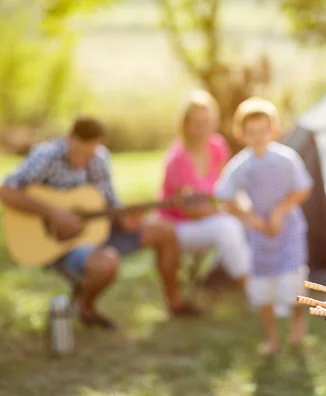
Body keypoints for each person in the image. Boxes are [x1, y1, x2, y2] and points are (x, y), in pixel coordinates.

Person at [0, 117, 199, 330]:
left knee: (165, 231)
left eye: (89, 154)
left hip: (99, 231)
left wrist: (127, 220)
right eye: (79, 153)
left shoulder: (100, 159)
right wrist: (53, 213)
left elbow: (111, 207)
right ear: (68, 138)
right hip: (59, 243)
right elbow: (6, 191)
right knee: (107, 263)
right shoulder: (46, 156)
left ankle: (175, 302)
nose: (83, 161)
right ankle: (85, 307)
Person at [215, 97, 313, 356]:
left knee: (292, 284)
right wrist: (249, 217)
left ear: (274, 130)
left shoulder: (286, 158)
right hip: (260, 236)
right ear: (241, 134)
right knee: (263, 290)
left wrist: (280, 211)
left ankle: (297, 322)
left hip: (289, 232)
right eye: (252, 132)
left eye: (263, 131)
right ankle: (271, 337)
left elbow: (303, 188)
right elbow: (224, 196)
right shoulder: (241, 165)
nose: (258, 137)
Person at [158, 90, 250, 288]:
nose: (203, 129)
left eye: (208, 122)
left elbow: (229, 186)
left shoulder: (217, 146)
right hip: (179, 226)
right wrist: (226, 210)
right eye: (197, 123)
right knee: (227, 227)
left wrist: (242, 210)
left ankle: (264, 276)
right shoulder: (178, 158)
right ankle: (250, 285)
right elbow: (190, 210)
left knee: (250, 218)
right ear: (186, 124)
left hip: (211, 216)